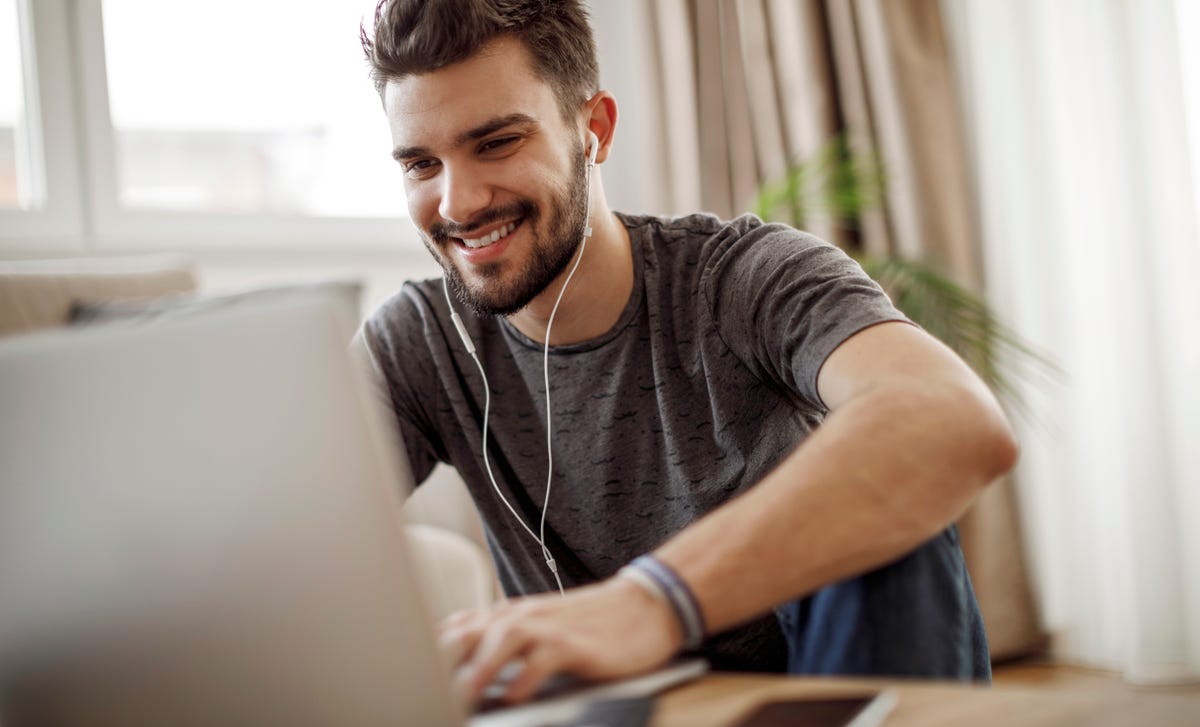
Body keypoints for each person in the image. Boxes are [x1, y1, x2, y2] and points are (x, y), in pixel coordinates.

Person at [355, 0, 1018, 707]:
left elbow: (952, 417)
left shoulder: (742, 277)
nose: (457, 202)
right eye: (422, 163)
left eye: (497, 143)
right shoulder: (419, 341)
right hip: (611, 717)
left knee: (893, 529)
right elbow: (266, 539)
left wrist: (652, 600)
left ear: (594, 129)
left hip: (797, 698)